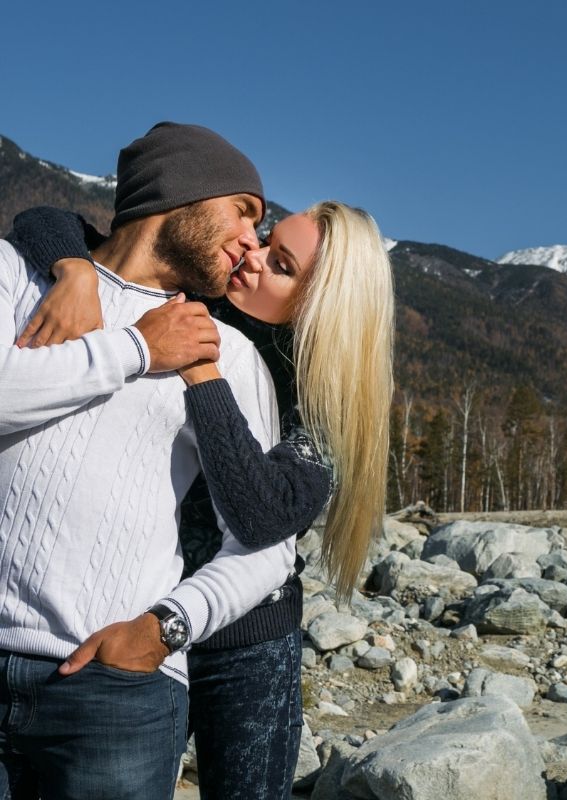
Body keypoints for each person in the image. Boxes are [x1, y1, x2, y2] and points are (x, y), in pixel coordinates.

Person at [8, 198, 395, 798]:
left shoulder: (321, 402)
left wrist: (205, 374)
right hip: (128, 620)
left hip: (245, 640)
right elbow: (43, 220)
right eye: (266, 239)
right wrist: (76, 268)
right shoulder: (203, 293)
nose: (253, 256)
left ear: (323, 303)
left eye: (282, 265)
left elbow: (262, 517)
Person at [0, 121, 301, 800]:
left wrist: (163, 631)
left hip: (114, 695)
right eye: (245, 213)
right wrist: (133, 349)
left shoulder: (224, 348)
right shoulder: (16, 273)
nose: (254, 243)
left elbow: (264, 541)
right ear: (180, 193)